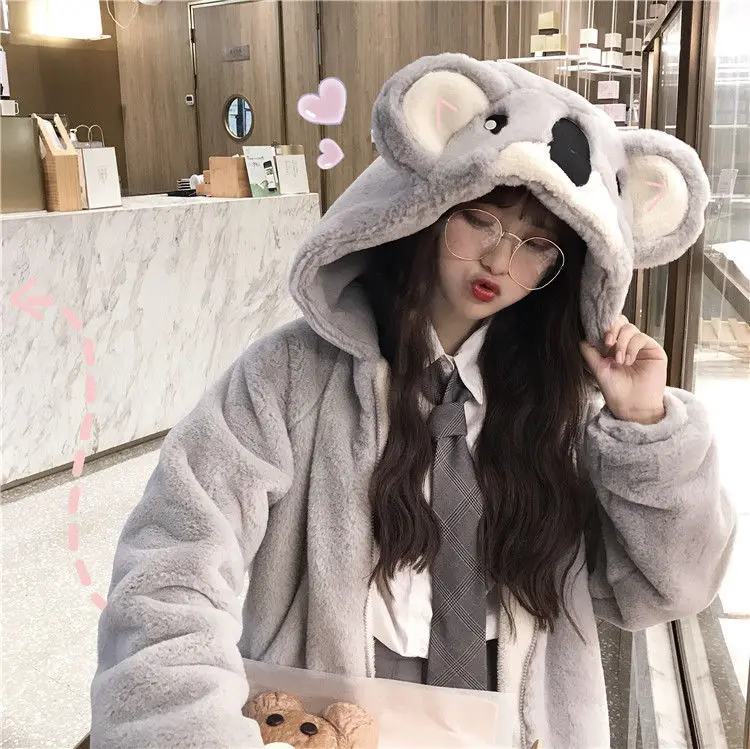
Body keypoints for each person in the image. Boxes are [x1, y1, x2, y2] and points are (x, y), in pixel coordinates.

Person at [90, 53, 737, 748]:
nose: (499, 260)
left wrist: (644, 426)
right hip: (330, 714)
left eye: (536, 245)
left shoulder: (560, 406)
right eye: (481, 219)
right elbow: (172, 566)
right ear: (427, 205)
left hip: (518, 715)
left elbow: (668, 589)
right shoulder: (289, 376)